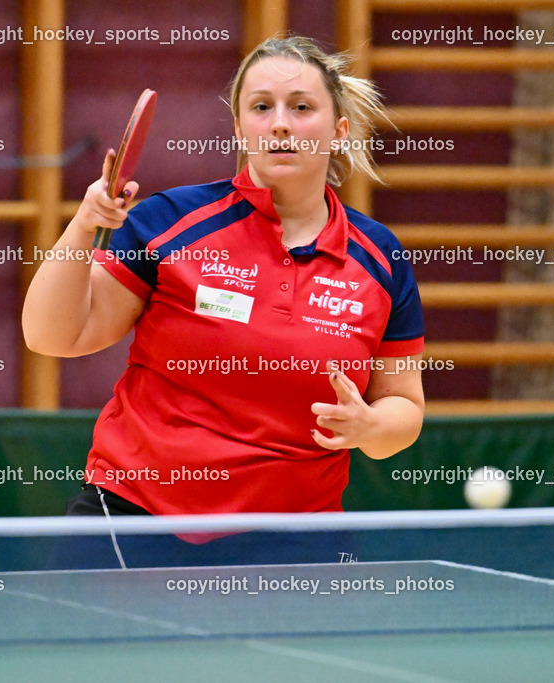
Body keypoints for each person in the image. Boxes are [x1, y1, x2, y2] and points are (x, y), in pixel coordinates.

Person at [22, 36, 425, 567]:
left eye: (301, 107)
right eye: (261, 107)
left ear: (339, 131)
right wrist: (83, 225)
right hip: (133, 524)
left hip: (294, 544)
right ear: (239, 129)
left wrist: (371, 427)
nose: (280, 124)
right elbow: (53, 335)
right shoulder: (171, 223)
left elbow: (404, 405)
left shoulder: (379, 259)